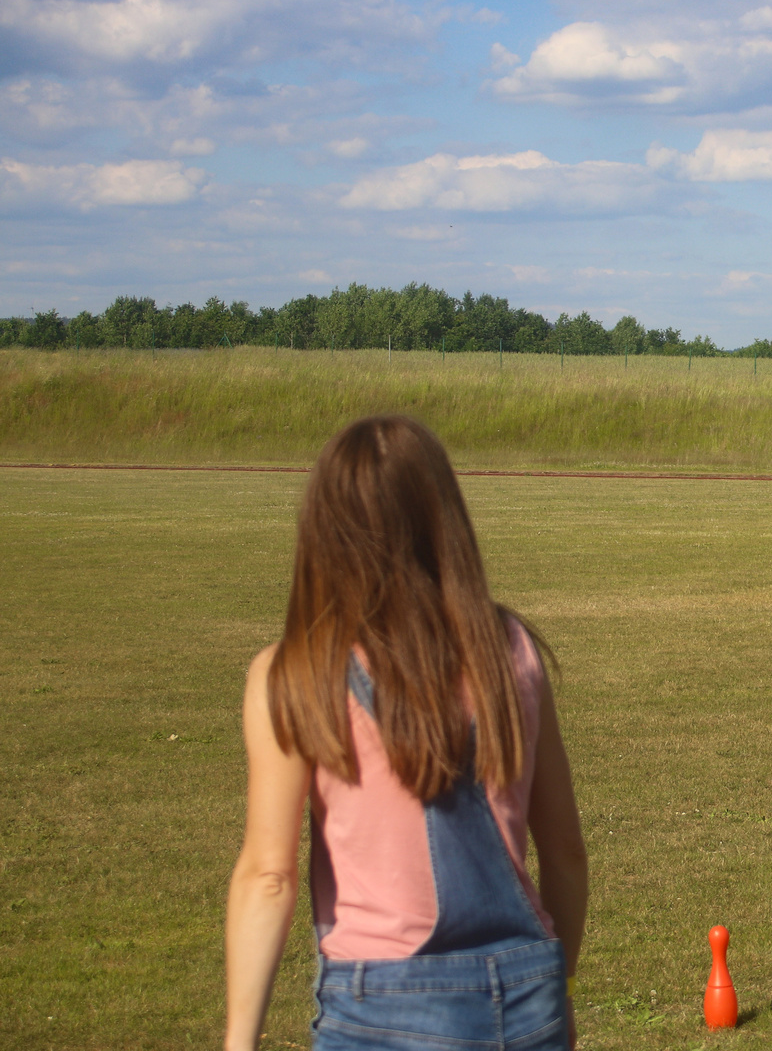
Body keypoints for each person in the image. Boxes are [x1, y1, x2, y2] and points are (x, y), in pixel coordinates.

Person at [225, 415, 588, 1051]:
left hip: (381, 1005)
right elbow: (564, 853)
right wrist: (558, 985)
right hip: (528, 998)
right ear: (444, 521)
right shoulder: (513, 651)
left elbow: (269, 877)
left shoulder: (295, 674)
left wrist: (238, 1040)